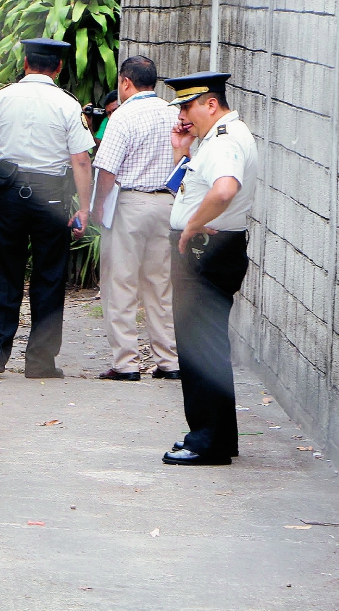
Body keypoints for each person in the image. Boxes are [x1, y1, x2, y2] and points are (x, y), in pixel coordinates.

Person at [0, 38, 94, 378]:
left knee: (3, 274)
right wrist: (84, 207)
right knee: (49, 278)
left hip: (7, 195)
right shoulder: (68, 105)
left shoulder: (1, 97)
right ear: (58, 68)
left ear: (25, 63)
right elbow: (81, 160)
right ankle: (40, 361)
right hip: (51, 199)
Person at [161, 71, 257, 466]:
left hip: (204, 251)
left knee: (201, 348)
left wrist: (194, 227)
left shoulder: (224, 141)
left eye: (188, 106)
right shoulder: (212, 141)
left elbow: (223, 191)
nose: (184, 115)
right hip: (209, 250)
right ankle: (218, 436)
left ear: (211, 104)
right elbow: (190, 189)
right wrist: (182, 152)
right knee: (205, 345)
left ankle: (208, 442)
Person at [91, 56, 180, 381]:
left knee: (121, 282)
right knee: (160, 284)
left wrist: (98, 206)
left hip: (129, 205)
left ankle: (126, 363)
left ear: (126, 82)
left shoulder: (123, 116)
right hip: (165, 204)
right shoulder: (172, 112)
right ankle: (168, 361)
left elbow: (108, 169)